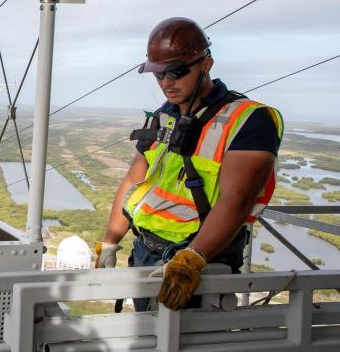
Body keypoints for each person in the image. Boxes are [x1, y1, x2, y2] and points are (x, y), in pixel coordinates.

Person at [95, 17, 283, 311]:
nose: (167, 82)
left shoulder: (249, 120)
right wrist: (109, 241)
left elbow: (238, 198)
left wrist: (193, 258)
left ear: (206, 64)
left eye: (177, 72)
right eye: (159, 74)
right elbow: (134, 181)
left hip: (202, 261)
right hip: (145, 251)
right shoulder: (163, 117)